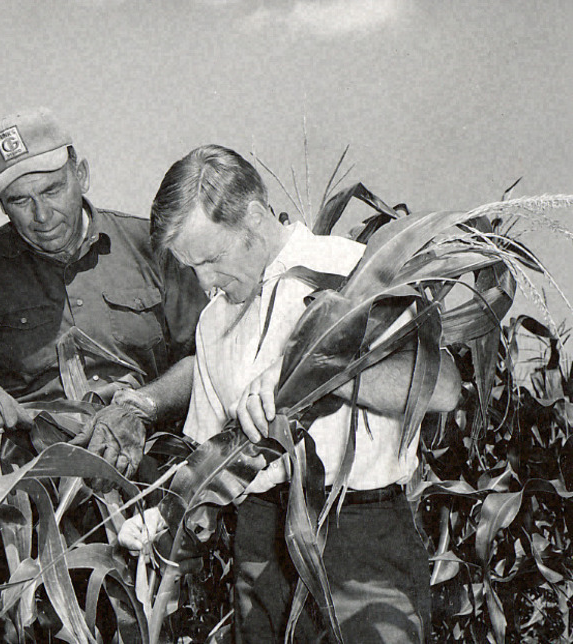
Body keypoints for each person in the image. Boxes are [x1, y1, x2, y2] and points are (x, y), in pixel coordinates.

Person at [119, 144, 462, 642]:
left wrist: (314, 367)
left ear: (254, 219)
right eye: (190, 268)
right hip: (258, 548)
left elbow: (443, 389)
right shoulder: (214, 321)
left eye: (212, 259)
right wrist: (165, 514)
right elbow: (211, 462)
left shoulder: (351, 271)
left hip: (361, 537)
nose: (205, 282)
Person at [0, 108, 207, 477]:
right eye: (20, 200)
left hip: (153, 462)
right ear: (0, 203)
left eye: (52, 190)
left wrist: (141, 407)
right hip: (35, 483)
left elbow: (206, 359)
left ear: (81, 175)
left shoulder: (152, 246)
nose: (42, 215)